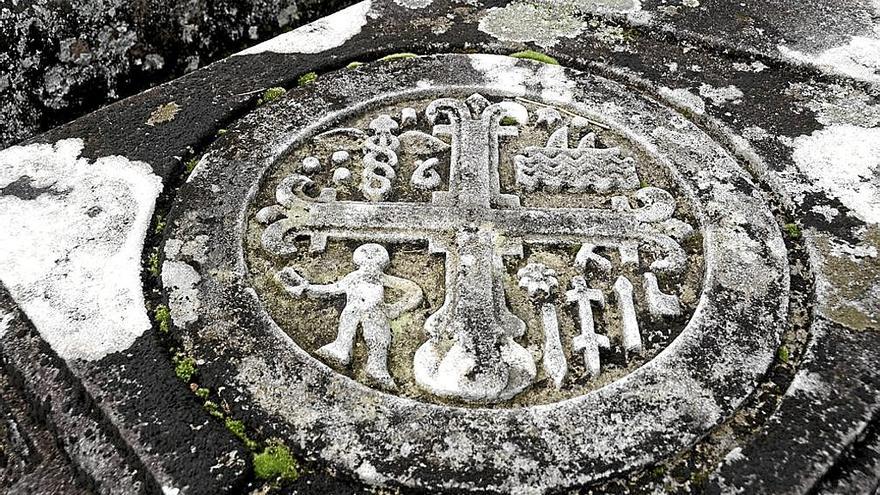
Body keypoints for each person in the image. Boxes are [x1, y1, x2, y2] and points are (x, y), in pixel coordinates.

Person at [276, 243, 423, 390]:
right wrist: (306, 288)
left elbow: (414, 291)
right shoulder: (352, 278)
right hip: (353, 312)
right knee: (346, 334)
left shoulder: (383, 279)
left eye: (375, 254)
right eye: (366, 254)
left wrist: (394, 309)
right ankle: (341, 352)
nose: (370, 257)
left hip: (376, 314)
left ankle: (377, 369)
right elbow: (331, 289)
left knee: (379, 340)